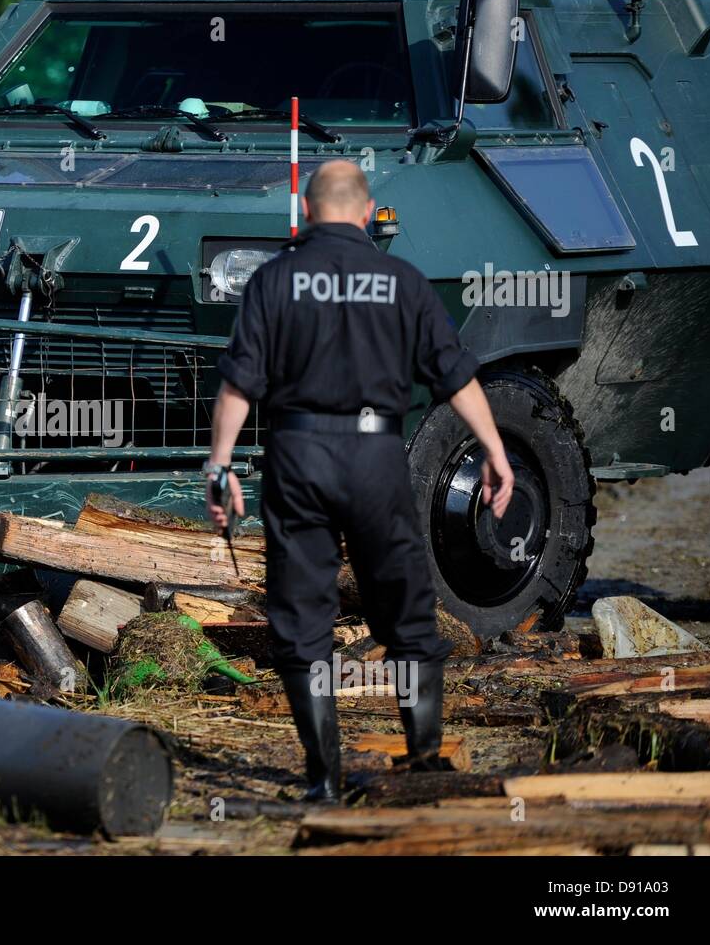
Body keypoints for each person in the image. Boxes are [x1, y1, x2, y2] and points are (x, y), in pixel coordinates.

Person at [204, 160, 514, 802]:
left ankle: (323, 779)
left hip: (296, 453)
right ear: (369, 211)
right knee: (403, 603)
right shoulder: (402, 280)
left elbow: (239, 383)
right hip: (375, 457)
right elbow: (455, 377)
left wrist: (221, 464)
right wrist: (494, 450)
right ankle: (423, 758)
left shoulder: (274, 279)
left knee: (301, 614)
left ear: (309, 212)